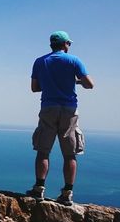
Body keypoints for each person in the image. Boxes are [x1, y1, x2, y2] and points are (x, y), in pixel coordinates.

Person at [27, 31, 94, 206]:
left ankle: (39, 188)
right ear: (64, 44)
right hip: (69, 109)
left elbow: (34, 88)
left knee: (43, 151)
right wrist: (74, 81)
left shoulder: (40, 61)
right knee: (69, 154)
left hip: (48, 107)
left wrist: (50, 83)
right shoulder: (73, 60)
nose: (69, 46)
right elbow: (90, 84)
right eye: (69, 43)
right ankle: (67, 193)